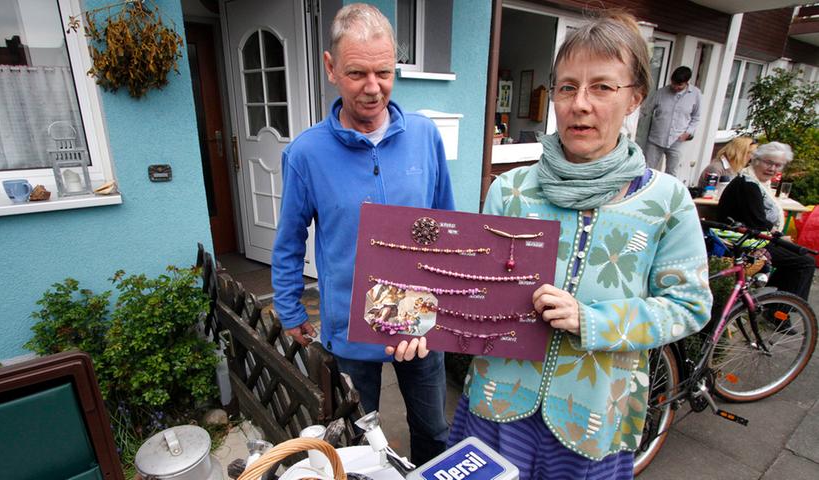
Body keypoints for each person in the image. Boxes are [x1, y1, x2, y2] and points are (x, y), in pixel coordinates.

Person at [444, 12, 712, 479]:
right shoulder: (511, 190)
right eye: (567, 87)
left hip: (590, 417)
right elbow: (474, 289)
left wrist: (593, 320)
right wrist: (416, 324)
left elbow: (688, 305)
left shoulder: (665, 201)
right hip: (497, 400)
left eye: (602, 87)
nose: (580, 104)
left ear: (635, 98)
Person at [270, 3, 452, 465]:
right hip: (349, 326)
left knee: (432, 428)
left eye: (384, 72)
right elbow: (290, 240)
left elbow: (447, 222)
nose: (374, 88)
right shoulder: (306, 153)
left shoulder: (426, 136)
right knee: (357, 441)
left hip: (421, 318)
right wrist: (290, 309)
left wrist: (453, 306)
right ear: (331, 69)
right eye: (357, 74)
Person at [717, 142, 814, 300]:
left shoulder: (757, 182)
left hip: (752, 235)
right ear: (756, 160)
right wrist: (781, 237)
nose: (772, 168)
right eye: (768, 162)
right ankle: (780, 310)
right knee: (805, 262)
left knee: (798, 257)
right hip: (742, 240)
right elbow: (757, 222)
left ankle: (774, 302)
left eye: (778, 165)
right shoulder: (748, 185)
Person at [642, 66, 702, 176]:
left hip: (677, 140)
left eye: (679, 85)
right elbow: (645, 110)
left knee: (672, 172)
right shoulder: (661, 92)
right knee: (647, 170)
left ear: (686, 82)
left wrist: (688, 132)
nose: (675, 87)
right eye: (673, 83)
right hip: (656, 139)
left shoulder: (696, 95)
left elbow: (696, 117)